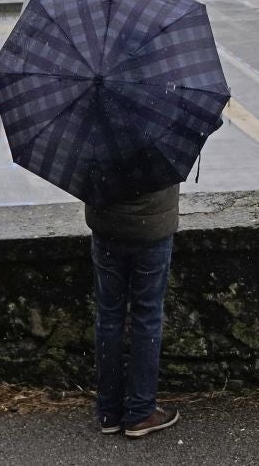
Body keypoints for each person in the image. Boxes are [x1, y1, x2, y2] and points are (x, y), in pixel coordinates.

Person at [85, 182, 182, 439]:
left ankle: (109, 411)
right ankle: (140, 412)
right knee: (147, 316)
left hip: (107, 224)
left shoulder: (100, 150)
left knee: (109, 316)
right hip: (152, 226)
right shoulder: (160, 152)